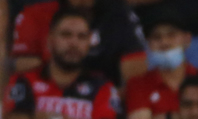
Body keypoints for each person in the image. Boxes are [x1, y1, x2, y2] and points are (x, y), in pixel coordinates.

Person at [3, 8, 121, 119]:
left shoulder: (102, 86)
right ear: (50, 39)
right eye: (66, 35)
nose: (74, 43)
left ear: (89, 42)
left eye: (81, 37)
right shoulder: (24, 81)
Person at [11, 0, 148, 87]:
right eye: (66, 34)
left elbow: (136, 76)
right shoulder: (37, 12)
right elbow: (23, 69)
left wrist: (106, 100)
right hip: (45, 99)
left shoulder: (120, 14)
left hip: (103, 102)